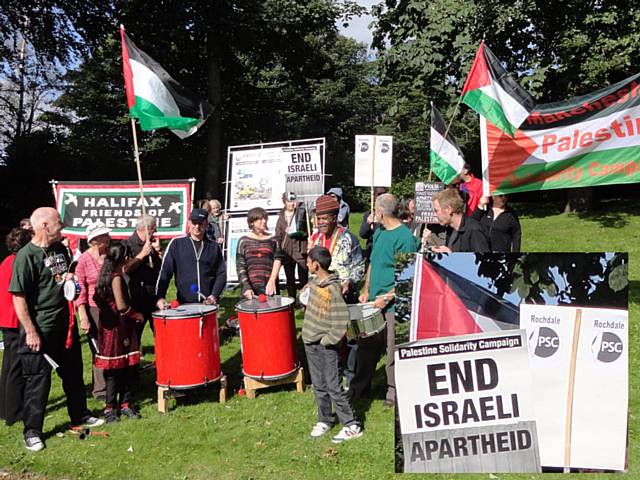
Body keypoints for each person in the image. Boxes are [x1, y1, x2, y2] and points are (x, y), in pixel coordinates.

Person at [9, 207, 104, 452]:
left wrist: (71, 283)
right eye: (59, 222)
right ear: (44, 226)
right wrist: (30, 331)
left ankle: (80, 415)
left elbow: (63, 276)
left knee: (73, 374)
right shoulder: (26, 256)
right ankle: (32, 431)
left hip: (65, 326)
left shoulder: (59, 248)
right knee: (37, 382)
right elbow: (18, 297)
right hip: (40, 330)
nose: (62, 226)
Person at [350, 194, 419, 407]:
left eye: (374, 211)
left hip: (393, 304)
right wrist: (367, 288)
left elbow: (409, 275)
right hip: (373, 301)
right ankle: (361, 385)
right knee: (366, 345)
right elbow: (373, 262)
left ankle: (393, 389)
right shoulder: (379, 232)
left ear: (380, 213)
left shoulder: (405, 238)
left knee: (392, 349)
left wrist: (387, 296)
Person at [302, 246, 363, 443]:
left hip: (326, 346)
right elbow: (305, 300)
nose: (307, 264)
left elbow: (341, 321)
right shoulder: (314, 282)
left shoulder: (332, 290)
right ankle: (325, 419)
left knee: (333, 385)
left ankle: (351, 425)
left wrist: (328, 340)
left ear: (316, 265)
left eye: (309, 261)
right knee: (319, 384)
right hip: (310, 342)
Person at [93, 244, 144, 422]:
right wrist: (136, 314)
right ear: (123, 258)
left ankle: (116, 406)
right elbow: (121, 306)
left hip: (108, 328)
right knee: (121, 368)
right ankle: (118, 405)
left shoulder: (103, 275)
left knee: (117, 369)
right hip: (119, 328)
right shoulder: (115, 278)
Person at [156, 208, 227, 307]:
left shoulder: (213, 247)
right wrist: (160, 296)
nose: (197, 226)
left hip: (208, 303)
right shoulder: (176, 243)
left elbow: (221, 273)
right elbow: (165, 272)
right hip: (184, 302)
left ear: (206, 224)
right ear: (189, 223)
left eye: (201, 223)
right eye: (194, 223)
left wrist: (214, 295)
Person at [75, 221, 111, 401]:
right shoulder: (83, 260)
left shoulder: (110, 256)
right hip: (94, 308)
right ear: (95, 240)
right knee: (99, 348)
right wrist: (83, 316)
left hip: (111, 307)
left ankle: (114, 384)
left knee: (112, 347)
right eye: (105, 236)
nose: (109, 238)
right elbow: (79, 289)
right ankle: (100, 389)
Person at [0, 228, 32, 426]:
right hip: (14, 319)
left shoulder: (7, 261)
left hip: (6, 317)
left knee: (8, 366)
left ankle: (5, 408)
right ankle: (14, 411)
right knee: (15, 368)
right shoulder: (18, 263)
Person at [308, 195, 364, 302]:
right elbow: (313, 268)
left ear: (334, 218)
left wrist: (348, 282)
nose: (320, 222)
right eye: (318, 219)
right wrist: (310, 283)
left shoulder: (349, 239)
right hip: (321, 296)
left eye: (324, 218)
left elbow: (359, 267)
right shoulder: (316, 240)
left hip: (344, 297)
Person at [123, 214, 162, 342]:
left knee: (161, 332)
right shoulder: (127, 245)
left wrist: (158, 251)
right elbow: (126, 269)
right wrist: (142, 254)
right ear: (148, 228)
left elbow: (160, 269)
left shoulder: (151, 244)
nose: (155, 231)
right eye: (154, 228)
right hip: (136, 298)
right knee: (135, 335)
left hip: (153, 296)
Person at [236, 207, 283, 299]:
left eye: (265, 218)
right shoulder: (243, 241)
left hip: (270, 285)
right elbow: (240, 266)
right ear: (252, 222)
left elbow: (278, 260)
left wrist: (272, 280)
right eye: (260, 219)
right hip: (251, 288)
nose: (264, 221)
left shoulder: (274, 239)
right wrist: (246, 286)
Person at [431, 188, 490, 253]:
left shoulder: (474, 230)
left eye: (436, 211)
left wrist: (451, 254)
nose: (434, 214)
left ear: (448, 209)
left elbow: (481, 261)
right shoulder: (451, 229)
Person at [275, 194, 308, 299]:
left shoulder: (301, 213)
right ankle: (292, 301)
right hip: (287, 251)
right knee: (290, 279)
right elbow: (278, 235)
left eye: (294, 201)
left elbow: (307, 231)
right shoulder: (281, 217)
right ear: (284, 202)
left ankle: (305, 300)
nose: (292, 204)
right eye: (289, 201)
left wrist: (298, 231)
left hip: (300, 249)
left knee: (303, 277)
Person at [358, 187, 388, 264]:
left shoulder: (391, 215)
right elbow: (362, 234)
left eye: (384, 194)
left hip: (386, 251)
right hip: (371, 251)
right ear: (374, 197)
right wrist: (368, 223)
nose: (382, 197)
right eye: (379, 194)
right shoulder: (369, 214)